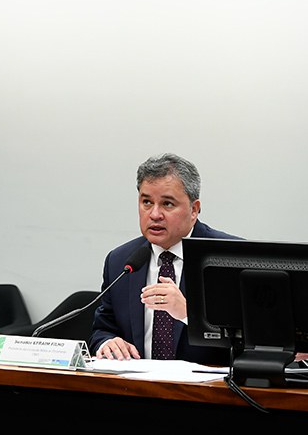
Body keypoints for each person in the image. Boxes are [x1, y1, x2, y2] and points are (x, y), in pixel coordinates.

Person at [89, 153, 240, 365]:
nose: (154, 214)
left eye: (167, 204)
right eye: (146, 202)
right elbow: (102, 328)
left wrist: (188, 314)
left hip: (210, 384)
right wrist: (107, 342)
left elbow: (252, 341)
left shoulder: (230, 258)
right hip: (136, 383)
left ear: (194, 210)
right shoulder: (120, 261)